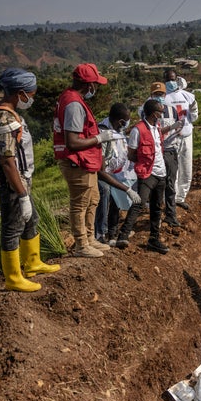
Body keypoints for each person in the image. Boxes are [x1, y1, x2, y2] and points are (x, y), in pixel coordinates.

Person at [0, 68, 61, 293]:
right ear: (20, 93)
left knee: (31, 219)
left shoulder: (10, 114)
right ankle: (13, 277)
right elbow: (7, 160)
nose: (32, 98)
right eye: (32, 94)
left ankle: (32, 263)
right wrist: (21, 194)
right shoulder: (3, 117)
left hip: (20, 180)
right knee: (12, 227)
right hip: (11, 182)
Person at [53, 63, 114, 258]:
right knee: (80, 203)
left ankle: (89, 238)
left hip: (86, 161)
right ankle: (81, 244)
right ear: (89, 85)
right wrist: (99, 139)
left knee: (93, 198)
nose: (95, 89)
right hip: (77, 160)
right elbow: (72, 141)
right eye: (95, 84)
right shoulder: (73, 104)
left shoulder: (73, 99)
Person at [115, 99, 169, 254]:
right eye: (160, 112)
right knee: (139, 202)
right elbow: (131, 154)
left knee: (156, 207)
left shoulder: (157, 128)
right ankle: (123, 235)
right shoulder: (138, 130)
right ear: (154, 113)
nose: (161, 115)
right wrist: (144, 163)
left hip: (161, 173)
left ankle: (154, 239)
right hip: (147, 173)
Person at [94, 103, 140, 244]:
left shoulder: (117, 129)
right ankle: (100, 234)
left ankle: (112, 234)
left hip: (115, 171)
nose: (128, 123)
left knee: (116, 200)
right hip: (102, 174)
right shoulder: (103, 132)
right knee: (106, 191)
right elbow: (100, 171)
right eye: (127, 121)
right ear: (120, 121)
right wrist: (125, 188)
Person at [145, 82, 184, 227]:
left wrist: (178, 129)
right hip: (157, 152)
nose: (159, 97)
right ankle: (155, 216)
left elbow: (178, 127)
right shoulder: (148, 113)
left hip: (170, 149)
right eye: (156, 95)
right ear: (151, 96)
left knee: (170, 184)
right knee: (157, 186)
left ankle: (170, 214)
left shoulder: (173, 110)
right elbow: (151, 133)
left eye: (161, 94)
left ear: (165, 95)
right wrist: (170, 127)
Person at [163, 69, 198, 211]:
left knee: (186, 166)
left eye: (173, 79)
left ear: (177, 79)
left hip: (186, 136)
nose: (171, 82)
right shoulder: (161, 97)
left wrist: (194, 108)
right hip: (170, 138)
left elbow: (194, 117)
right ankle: (171, 197)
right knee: (172, 169)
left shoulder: (188, 96)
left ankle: (181, 197)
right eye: (168, 80)